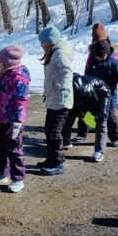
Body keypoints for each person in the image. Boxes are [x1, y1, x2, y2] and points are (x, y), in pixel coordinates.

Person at [0, 45, 31, 193]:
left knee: (15, 149)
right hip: (0, 119)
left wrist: (17, 121)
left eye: (0, 62)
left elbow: (21, 101)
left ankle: (18, 178)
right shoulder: (3, 76)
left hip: (12, 121)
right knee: (1, 149)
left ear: (7, 63)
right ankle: (1, 174)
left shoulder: (18, 79)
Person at [37, 25, 74, 175]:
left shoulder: (59, 53)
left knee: (54, 132)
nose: (41, 45)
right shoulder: (52, 52)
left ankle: (58, 162)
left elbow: (67, 72)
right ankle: (51, 159)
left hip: (61, 98)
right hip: (54, 98)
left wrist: (64, 89)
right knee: (49, 130)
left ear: (50, 42)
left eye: (43, 42)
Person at [80, 38, 118, 149]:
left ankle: (114, 137)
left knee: (111, 117)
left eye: (103, 56)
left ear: (107, 53)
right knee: (86, 113)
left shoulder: (114, 63)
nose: (100, 58)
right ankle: (81, 134)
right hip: (95, 94)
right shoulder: (92, 63)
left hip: (110, 95)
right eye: (98, 56)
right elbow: (88, 78)